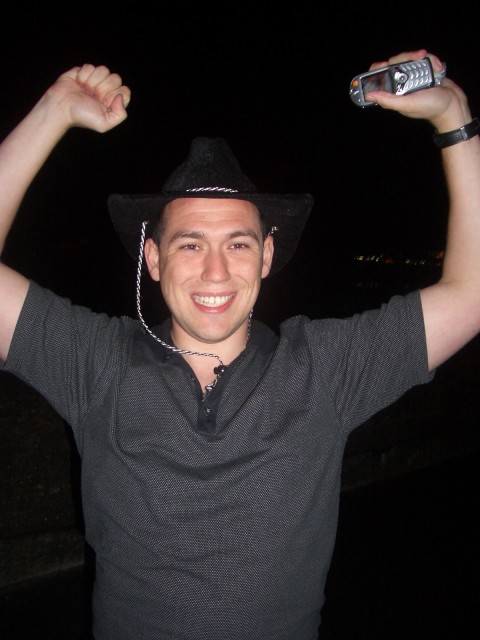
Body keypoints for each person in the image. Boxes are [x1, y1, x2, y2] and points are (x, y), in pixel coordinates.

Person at [0, 49, 479, 640]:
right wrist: (52, 111)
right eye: (190, 244)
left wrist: (454, 118)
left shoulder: (324, 369)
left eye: (238, 244)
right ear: (153, 259)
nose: (216, 272)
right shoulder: (94, 362)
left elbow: (472, 293)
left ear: (266, 256)